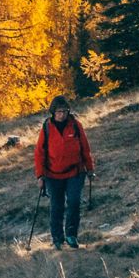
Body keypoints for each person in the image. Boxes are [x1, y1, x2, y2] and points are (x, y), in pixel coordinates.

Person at [33, 95, 96, 249]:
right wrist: (40, 175)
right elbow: (39, 153)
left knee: (74, 202)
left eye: (64, 111)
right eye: (59, 111)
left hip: (75, 172)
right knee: (57, 206)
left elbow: (85, 148)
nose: (62, 114)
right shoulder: (47, 127)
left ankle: (71, 235)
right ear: (53, 112)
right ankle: (57, 239)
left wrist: (90, 169)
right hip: (52, 175)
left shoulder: (75, 125)